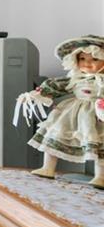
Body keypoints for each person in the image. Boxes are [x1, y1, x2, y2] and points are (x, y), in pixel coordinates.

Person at [15, 35, 104, 187]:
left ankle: (100, 177)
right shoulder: (74, 78)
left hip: (97, 114)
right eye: (82, 59)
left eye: (94, 59)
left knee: (100, 143)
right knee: (56, 134)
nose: (87, 63)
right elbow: (55, 86)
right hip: (71, 113)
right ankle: (47, 168)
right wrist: (36, 94)